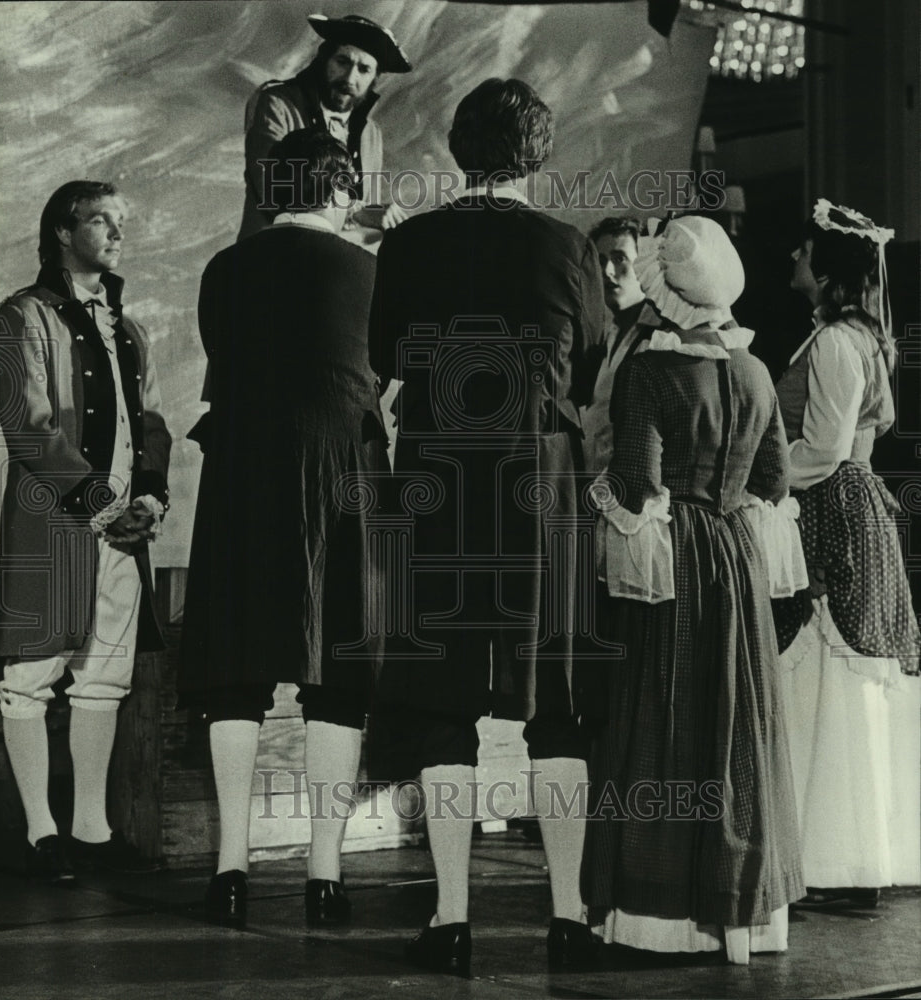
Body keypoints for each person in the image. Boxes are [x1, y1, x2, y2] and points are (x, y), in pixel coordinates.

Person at [369, 78, 607, 976]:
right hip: (538, 479)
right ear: (538, 154)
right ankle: (570, 917)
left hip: (437, 476)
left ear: (458, 149)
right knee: (557, 707)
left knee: (441, 705)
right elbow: (586, 361)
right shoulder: (565, 245)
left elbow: (384, 354)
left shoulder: (411, 243)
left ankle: (452, 918)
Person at [580, 215, 806, 964]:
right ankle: (743, 913)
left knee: (665, 718)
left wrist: (594, 503)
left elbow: (637, 485)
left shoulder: (651, 370)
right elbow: (772, 481)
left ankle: (664, 912)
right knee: (737, 720)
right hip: (736, 561)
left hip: (676, 561)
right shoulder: (753, 370)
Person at [179, 128, 389, 930]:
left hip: (244, 472)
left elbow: (221, 355)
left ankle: (229, 870)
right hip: (342, 471)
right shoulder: (371, 271)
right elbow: (385, 373)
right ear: (340, 191)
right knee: (338, 676)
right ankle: (324, 874)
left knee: (235, 670)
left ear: (275, 190)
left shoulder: (226, 270)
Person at [0, 180, 171, 882]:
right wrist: (100, 499)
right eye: (101, 221)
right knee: (30, 675)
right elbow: (28, 425)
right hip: (52, 526)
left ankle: (91, 830)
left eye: (121, 222)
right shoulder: (21, 318)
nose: (117, 234)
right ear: (63, 232)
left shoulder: (128, 328)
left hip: (123, 533)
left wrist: (148, 495)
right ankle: (41, 833)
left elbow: (150, 423)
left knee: (104, 678)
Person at [775, 199, 921, 907]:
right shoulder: (858, 337)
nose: (794, 261)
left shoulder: (835, 342)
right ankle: (848, 857)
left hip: (831, 508)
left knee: (831, 675)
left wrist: (765, 478)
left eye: (804, 252)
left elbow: (825, 448)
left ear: (828, 270)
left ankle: (838, 863)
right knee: (840, 679)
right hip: (855, 505)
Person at [237, 12, 412, 241]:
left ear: (374, 78)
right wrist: (359, 212)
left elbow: (367, 208)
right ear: (324, 59)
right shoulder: (277, 104)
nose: (350, 78)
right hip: (270, 256)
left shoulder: (371, 133)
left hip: (334, 262)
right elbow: (274, 189)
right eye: (342, 62)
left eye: (364, 69)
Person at [582, 216, 663, 473]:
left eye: (619, 259)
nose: (607, 271)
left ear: (644, 265)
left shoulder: (661, 334)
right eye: (601, 260)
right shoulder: (599, 331)